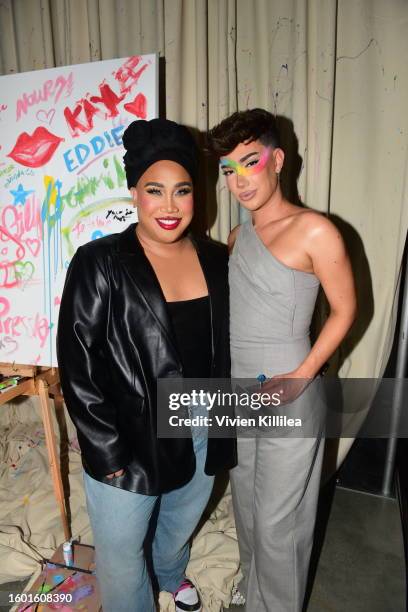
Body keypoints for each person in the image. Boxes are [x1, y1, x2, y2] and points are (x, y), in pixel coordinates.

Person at [57, 118, 236, 612]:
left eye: (182, 190)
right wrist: (107, 452)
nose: (170, 205)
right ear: (134, 190)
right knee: (118, 556)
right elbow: (77, 364)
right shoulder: (100, 261)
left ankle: (171, 571)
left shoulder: (219, 258)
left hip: (205, 417)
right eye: (155, 190)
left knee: (180, 516)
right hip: (130, 430)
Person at [207, 108, 357, 611]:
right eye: (228, 169)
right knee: (247, 507)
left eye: (249, 162)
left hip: (293, 388)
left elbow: (345, 310)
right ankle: (254, 595)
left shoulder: (315, 230)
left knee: (279, 521)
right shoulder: (235, 239)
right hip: (239, 391)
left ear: (277, 160)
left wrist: (302, 374)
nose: (239, 179)